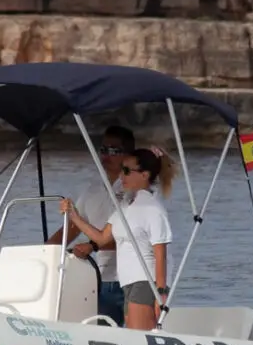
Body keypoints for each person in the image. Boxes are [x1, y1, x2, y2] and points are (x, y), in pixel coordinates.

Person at [60, 147, 174, 330]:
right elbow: (102, 238)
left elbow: (161, 254)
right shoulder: (126, 206)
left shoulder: (153, 209)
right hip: (127, 281)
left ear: (145, 175)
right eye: (122, 169)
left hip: (146, 281)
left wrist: (160, 295)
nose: (122, 175)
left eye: (128, 171)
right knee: (132, 333)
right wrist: (74, 216)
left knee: (139, 335)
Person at [48, 125, 137, 324]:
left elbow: (135, 237)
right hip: (100, 281)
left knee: (135, 338)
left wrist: (92, 246)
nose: (106, 155)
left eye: (114, 150)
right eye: (103, 149)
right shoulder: (91, 190)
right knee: (104, 338)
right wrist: (45, 250)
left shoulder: (135, 190)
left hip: (132, 278)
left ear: (129, 154)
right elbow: (71, 229)